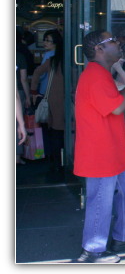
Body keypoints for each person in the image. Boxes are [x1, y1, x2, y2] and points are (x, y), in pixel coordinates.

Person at [74, 30, 125, 263]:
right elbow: (117, 107)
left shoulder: (101, 73)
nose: (119, 43)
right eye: (113, 41)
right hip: (100, 152)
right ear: (99, 49)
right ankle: (92, 251)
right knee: (100, 200)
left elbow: (114, 102)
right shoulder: (95, 75)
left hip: (112, 149)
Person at [30, 30, 65, 177]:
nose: (45, 43)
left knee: (54, 132)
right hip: (67, 99)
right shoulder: (69, 59)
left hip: (51, 98)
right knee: (65, 132)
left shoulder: (51, 59)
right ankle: (65, 161)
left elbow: (37, 72)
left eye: (48, 40)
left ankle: (56, 163)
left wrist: (33, 92)